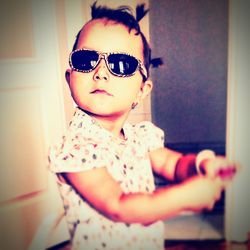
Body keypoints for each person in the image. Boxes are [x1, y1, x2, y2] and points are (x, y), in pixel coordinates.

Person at [48, 2, 237, 250]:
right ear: (69, 78)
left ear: (141, 91)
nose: (100, 73)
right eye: (86, 60)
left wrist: (202, 164)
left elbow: (174, 164)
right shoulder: (75, 147)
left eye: (121, 65)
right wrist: (184, 198)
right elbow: (118, 205)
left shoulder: (141, 137)